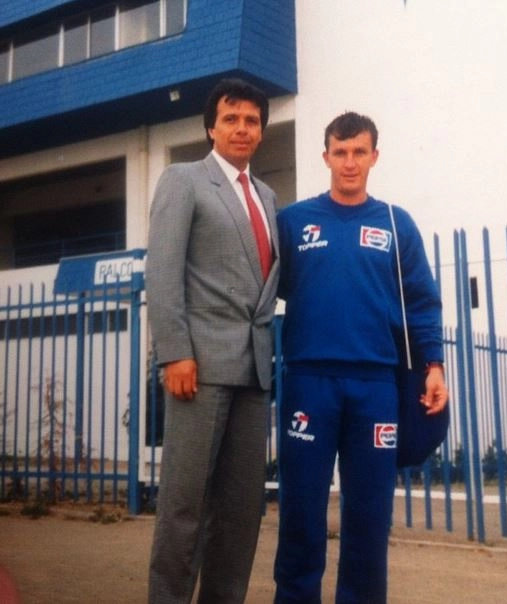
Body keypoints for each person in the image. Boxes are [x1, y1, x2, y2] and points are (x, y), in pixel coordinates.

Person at [273, 112, 448, 603]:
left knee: (370, 512)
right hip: (310, 379)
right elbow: (269, 288)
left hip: (376, 387)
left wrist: (433, 366)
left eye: (359, 152)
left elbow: (422, 302)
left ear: (374, 156)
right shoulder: (293, 222)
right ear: (325, 156)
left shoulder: (396, 224)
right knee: (301, 506)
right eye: (340, 152)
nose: (349, 163)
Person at [145, 78, 279, 604]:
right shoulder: (184, 180)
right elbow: (163, 271)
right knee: (185, 507)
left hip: (254, 372)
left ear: (262, 131)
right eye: (231, 118)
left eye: (251, 120)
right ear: (211, 127)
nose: (242, 128)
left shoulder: (267, 196)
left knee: (242, 512)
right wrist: (174, 351)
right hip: (197, 369)